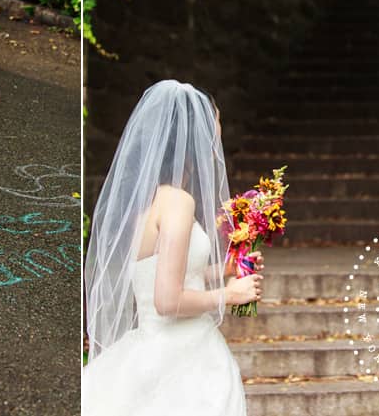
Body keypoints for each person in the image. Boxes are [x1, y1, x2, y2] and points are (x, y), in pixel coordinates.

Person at [83, 80, 263, 416]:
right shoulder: (179, 203)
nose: (219, 137)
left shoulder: (147, 202)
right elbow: (167, 301)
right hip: (181, 358)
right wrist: (230, 294)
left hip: (152, 349)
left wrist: (220, 270)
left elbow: (158, 272)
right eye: (216, 126)